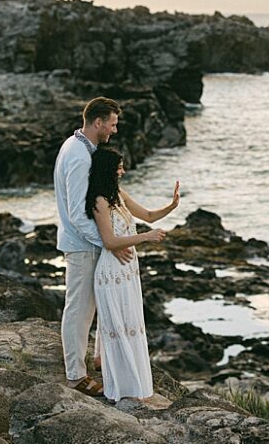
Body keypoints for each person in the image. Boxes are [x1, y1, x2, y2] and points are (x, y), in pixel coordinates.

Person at [86, 147, 179, 401]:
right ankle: (123, 388)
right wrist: (146, 237)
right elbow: (109, 241)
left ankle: (134, 386)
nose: (123, 171)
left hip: (128, 271)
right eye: (119, 167)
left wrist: (171, 206)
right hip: (111, 273)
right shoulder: (99, 200)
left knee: (132, 325)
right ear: (108, 169)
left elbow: (147, 215)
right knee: (120, 327)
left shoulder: (117, 194)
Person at [54, 96, 132, 397]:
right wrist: (109, 243)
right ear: (98, 122)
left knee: (92, 307)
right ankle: (75, 376)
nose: (114, 130)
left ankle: (96, 360)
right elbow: (76, 212)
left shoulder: (80, 147)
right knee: (79, 311)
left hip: (87, 244)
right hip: (81, 245)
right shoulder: (78, 155)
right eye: (111, 124)